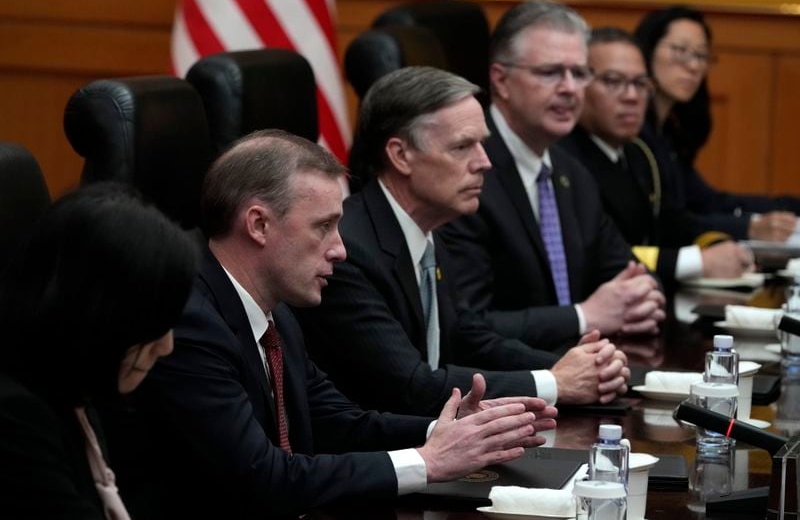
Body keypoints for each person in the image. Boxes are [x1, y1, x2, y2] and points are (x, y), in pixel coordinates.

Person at [132, 129, 556, 519]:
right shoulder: (190, 323)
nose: (340, 250)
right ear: (259, 224)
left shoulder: (277, 312)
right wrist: (428, 461)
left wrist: (451, 431)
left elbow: (335, 422)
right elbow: (263, 478)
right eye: (323, 227)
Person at [296, 67, 630, 417]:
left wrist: (580, 366)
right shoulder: (348, 251)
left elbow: (468, 337)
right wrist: (554, 382)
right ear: (401, 155)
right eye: (462, 147)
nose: (484, 163)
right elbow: (410, 386)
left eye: (482, 144)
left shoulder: (428, 231)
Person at [440, 0, 665, 347]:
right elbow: (464, 325)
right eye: (550, 72)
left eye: (579, 73)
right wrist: (584, 316)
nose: (570, 88)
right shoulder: (464, 171)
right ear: (501, 80)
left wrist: (642, 297)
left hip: (580, 374)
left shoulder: (570, 173)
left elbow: (634, 274)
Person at [0, 183, 197, 519]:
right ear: (100, 319)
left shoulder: (78, 384)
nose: (167, 346)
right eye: (153, 327)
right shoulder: (14, 420)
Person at [558, 27, 754, 285]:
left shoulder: (639, 152)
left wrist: (722, 245)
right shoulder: (563, 157)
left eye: (640, 84)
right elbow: (600, 252)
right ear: (580, 84)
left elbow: (671, 221)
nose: (631, 96)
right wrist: (696, 262)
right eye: (613, 81)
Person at [635, 5, 800, 242]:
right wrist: (749, 228)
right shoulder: (633, 133)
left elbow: (709, 202)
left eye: (701, 55)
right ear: (647, 50)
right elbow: (669, 221)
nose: (693, 66)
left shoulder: (669, 132)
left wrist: (787, 206)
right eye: (680, 50)